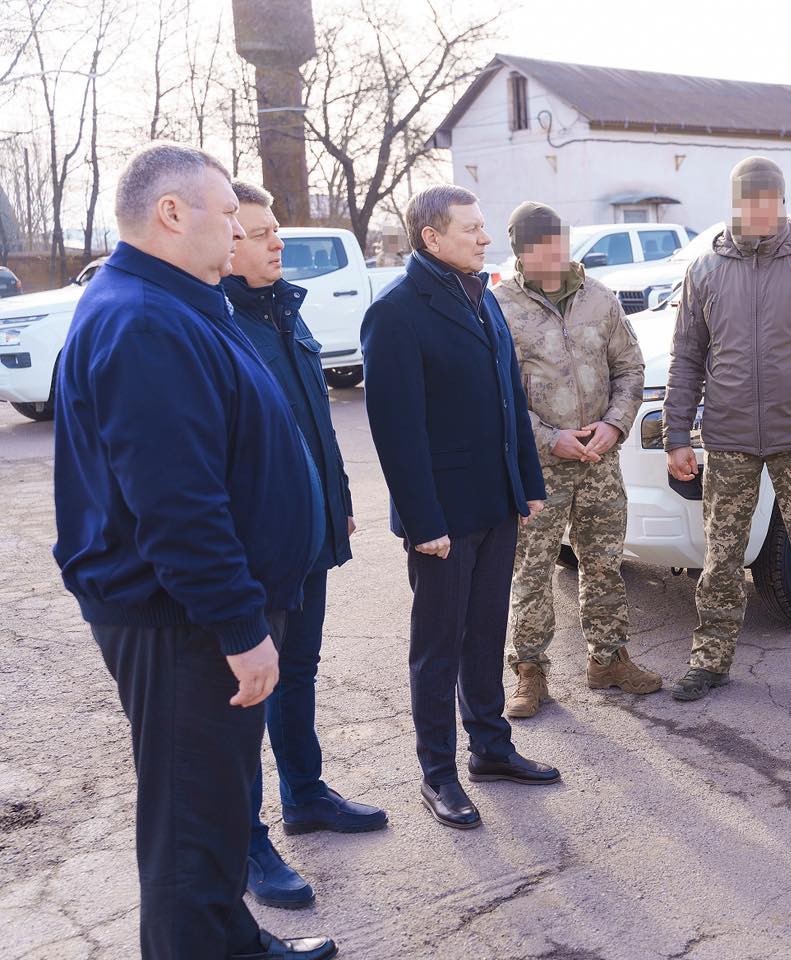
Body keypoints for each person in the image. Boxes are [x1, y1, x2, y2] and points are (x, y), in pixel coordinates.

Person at [52, 142, 335, 959]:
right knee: (189, 821)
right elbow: (177, 506)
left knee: (210, 809)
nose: (241, 230)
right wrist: (242, 628)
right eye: (227, 214)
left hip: (200, 615)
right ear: (172, 214)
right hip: (183, 623)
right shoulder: (143, 320)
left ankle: (231, 941)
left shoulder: (179, 302)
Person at [361, 184, 559, 831]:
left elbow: (510, 396)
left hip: (494, 502)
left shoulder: (483, 297)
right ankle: (438, 773)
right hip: (441, 517)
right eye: (471, 228)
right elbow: (397, 430)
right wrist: (424, 523)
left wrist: (526, 484)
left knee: (485, 634)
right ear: (431, 238)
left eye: (482, 226)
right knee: (437, 647)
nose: (484, 237)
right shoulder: (396, 312)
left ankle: (491, 748)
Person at [222, 179, 388, 910]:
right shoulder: (222, 328)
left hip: (313, 527)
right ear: (224, 241)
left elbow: (316, 425)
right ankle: (246, 838)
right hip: (260, 542)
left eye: (276, 231)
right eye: (260, 234)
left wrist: (341, 500)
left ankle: (307, 794)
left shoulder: (287, 315)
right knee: (246, 693)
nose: (276, 244)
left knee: (301, 669)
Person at [663, 156, 791, 708]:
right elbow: (686, 359)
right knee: (721, 558)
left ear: (781, 200)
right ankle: (710, 661)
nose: (758, 210)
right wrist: (677, 435)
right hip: (727, 441)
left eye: (767, 200)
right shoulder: (704, 271)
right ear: (736, 203)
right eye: (748, 201)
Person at [493, 201, 658, 718]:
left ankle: (608, 659)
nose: (558, 256)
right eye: (544, 247)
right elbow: (497, 398)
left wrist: (614, 425)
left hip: (599, 461)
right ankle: (529, 673)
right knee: (532, 570)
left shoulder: (600, 300)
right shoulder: (498, 308)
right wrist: (548, 439)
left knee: (605, 563)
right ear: (522, 251)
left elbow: (631, 369)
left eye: (562, 244)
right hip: (538, 468)